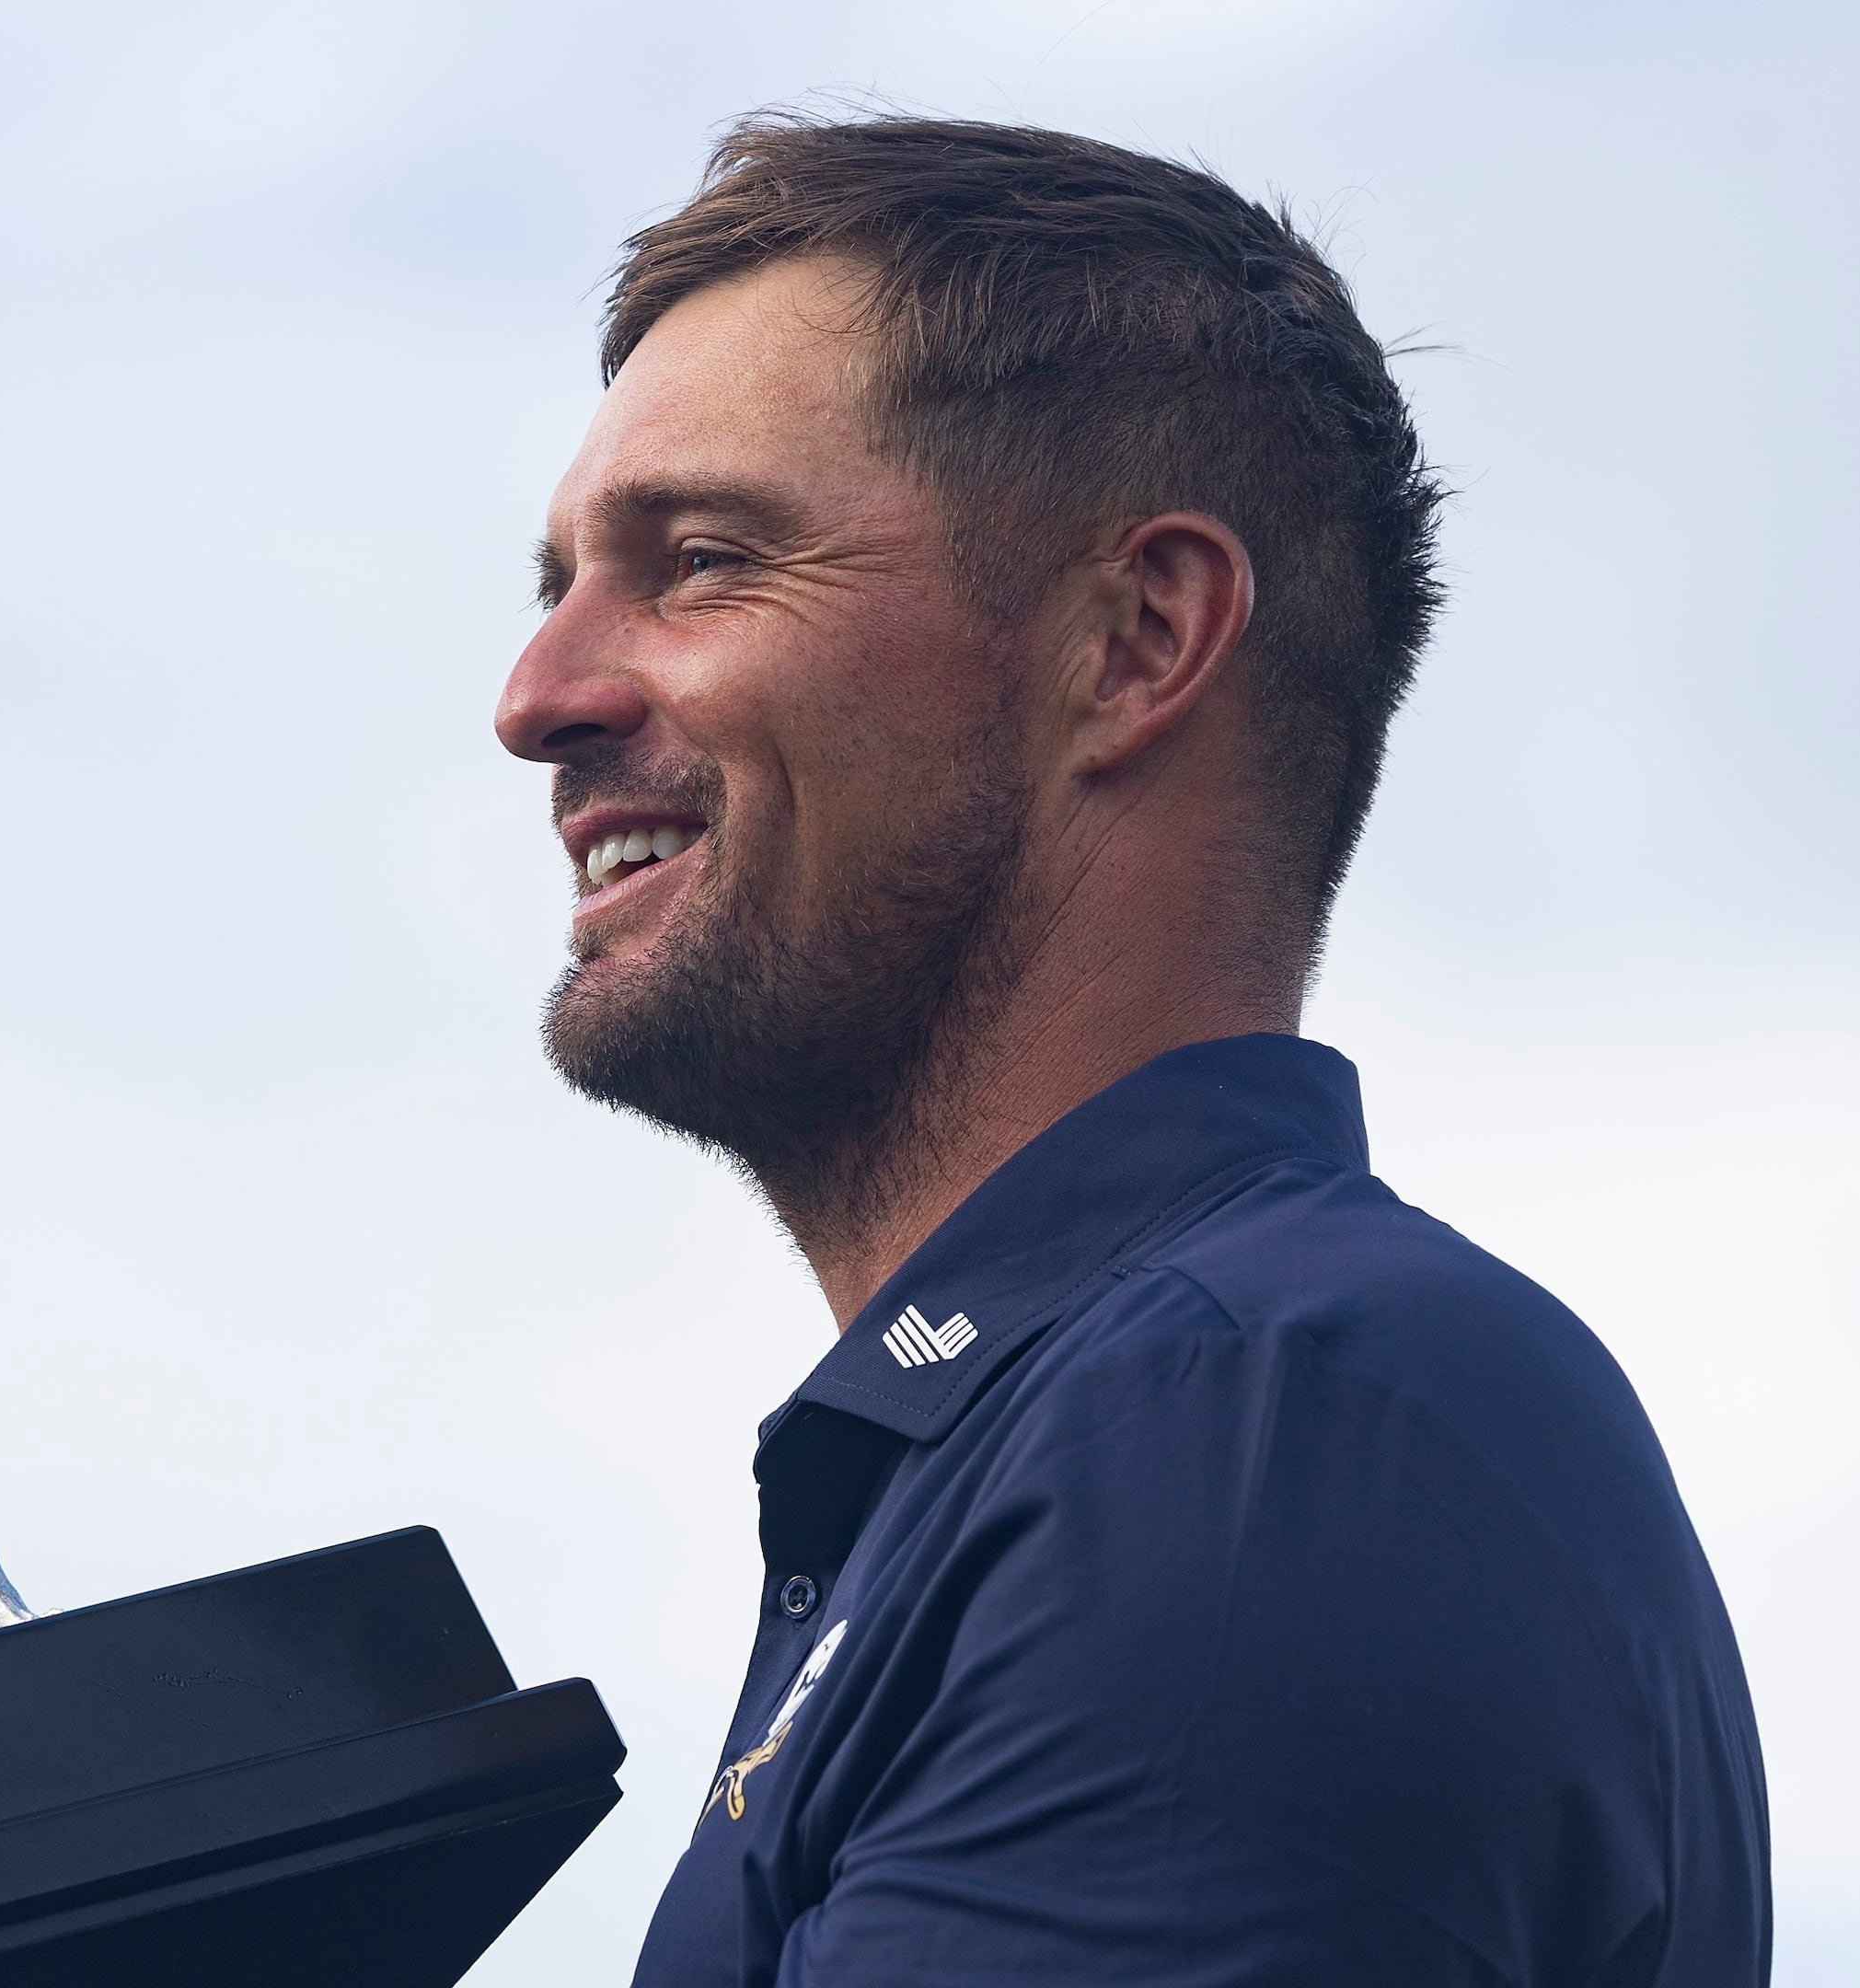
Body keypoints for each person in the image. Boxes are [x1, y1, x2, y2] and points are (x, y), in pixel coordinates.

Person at [497, 115, 1769, 1985]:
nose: (540, 700)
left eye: (700, 559)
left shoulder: (1247, 1432)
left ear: (1137, 639)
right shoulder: (1104, 1434)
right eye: (557, 589)